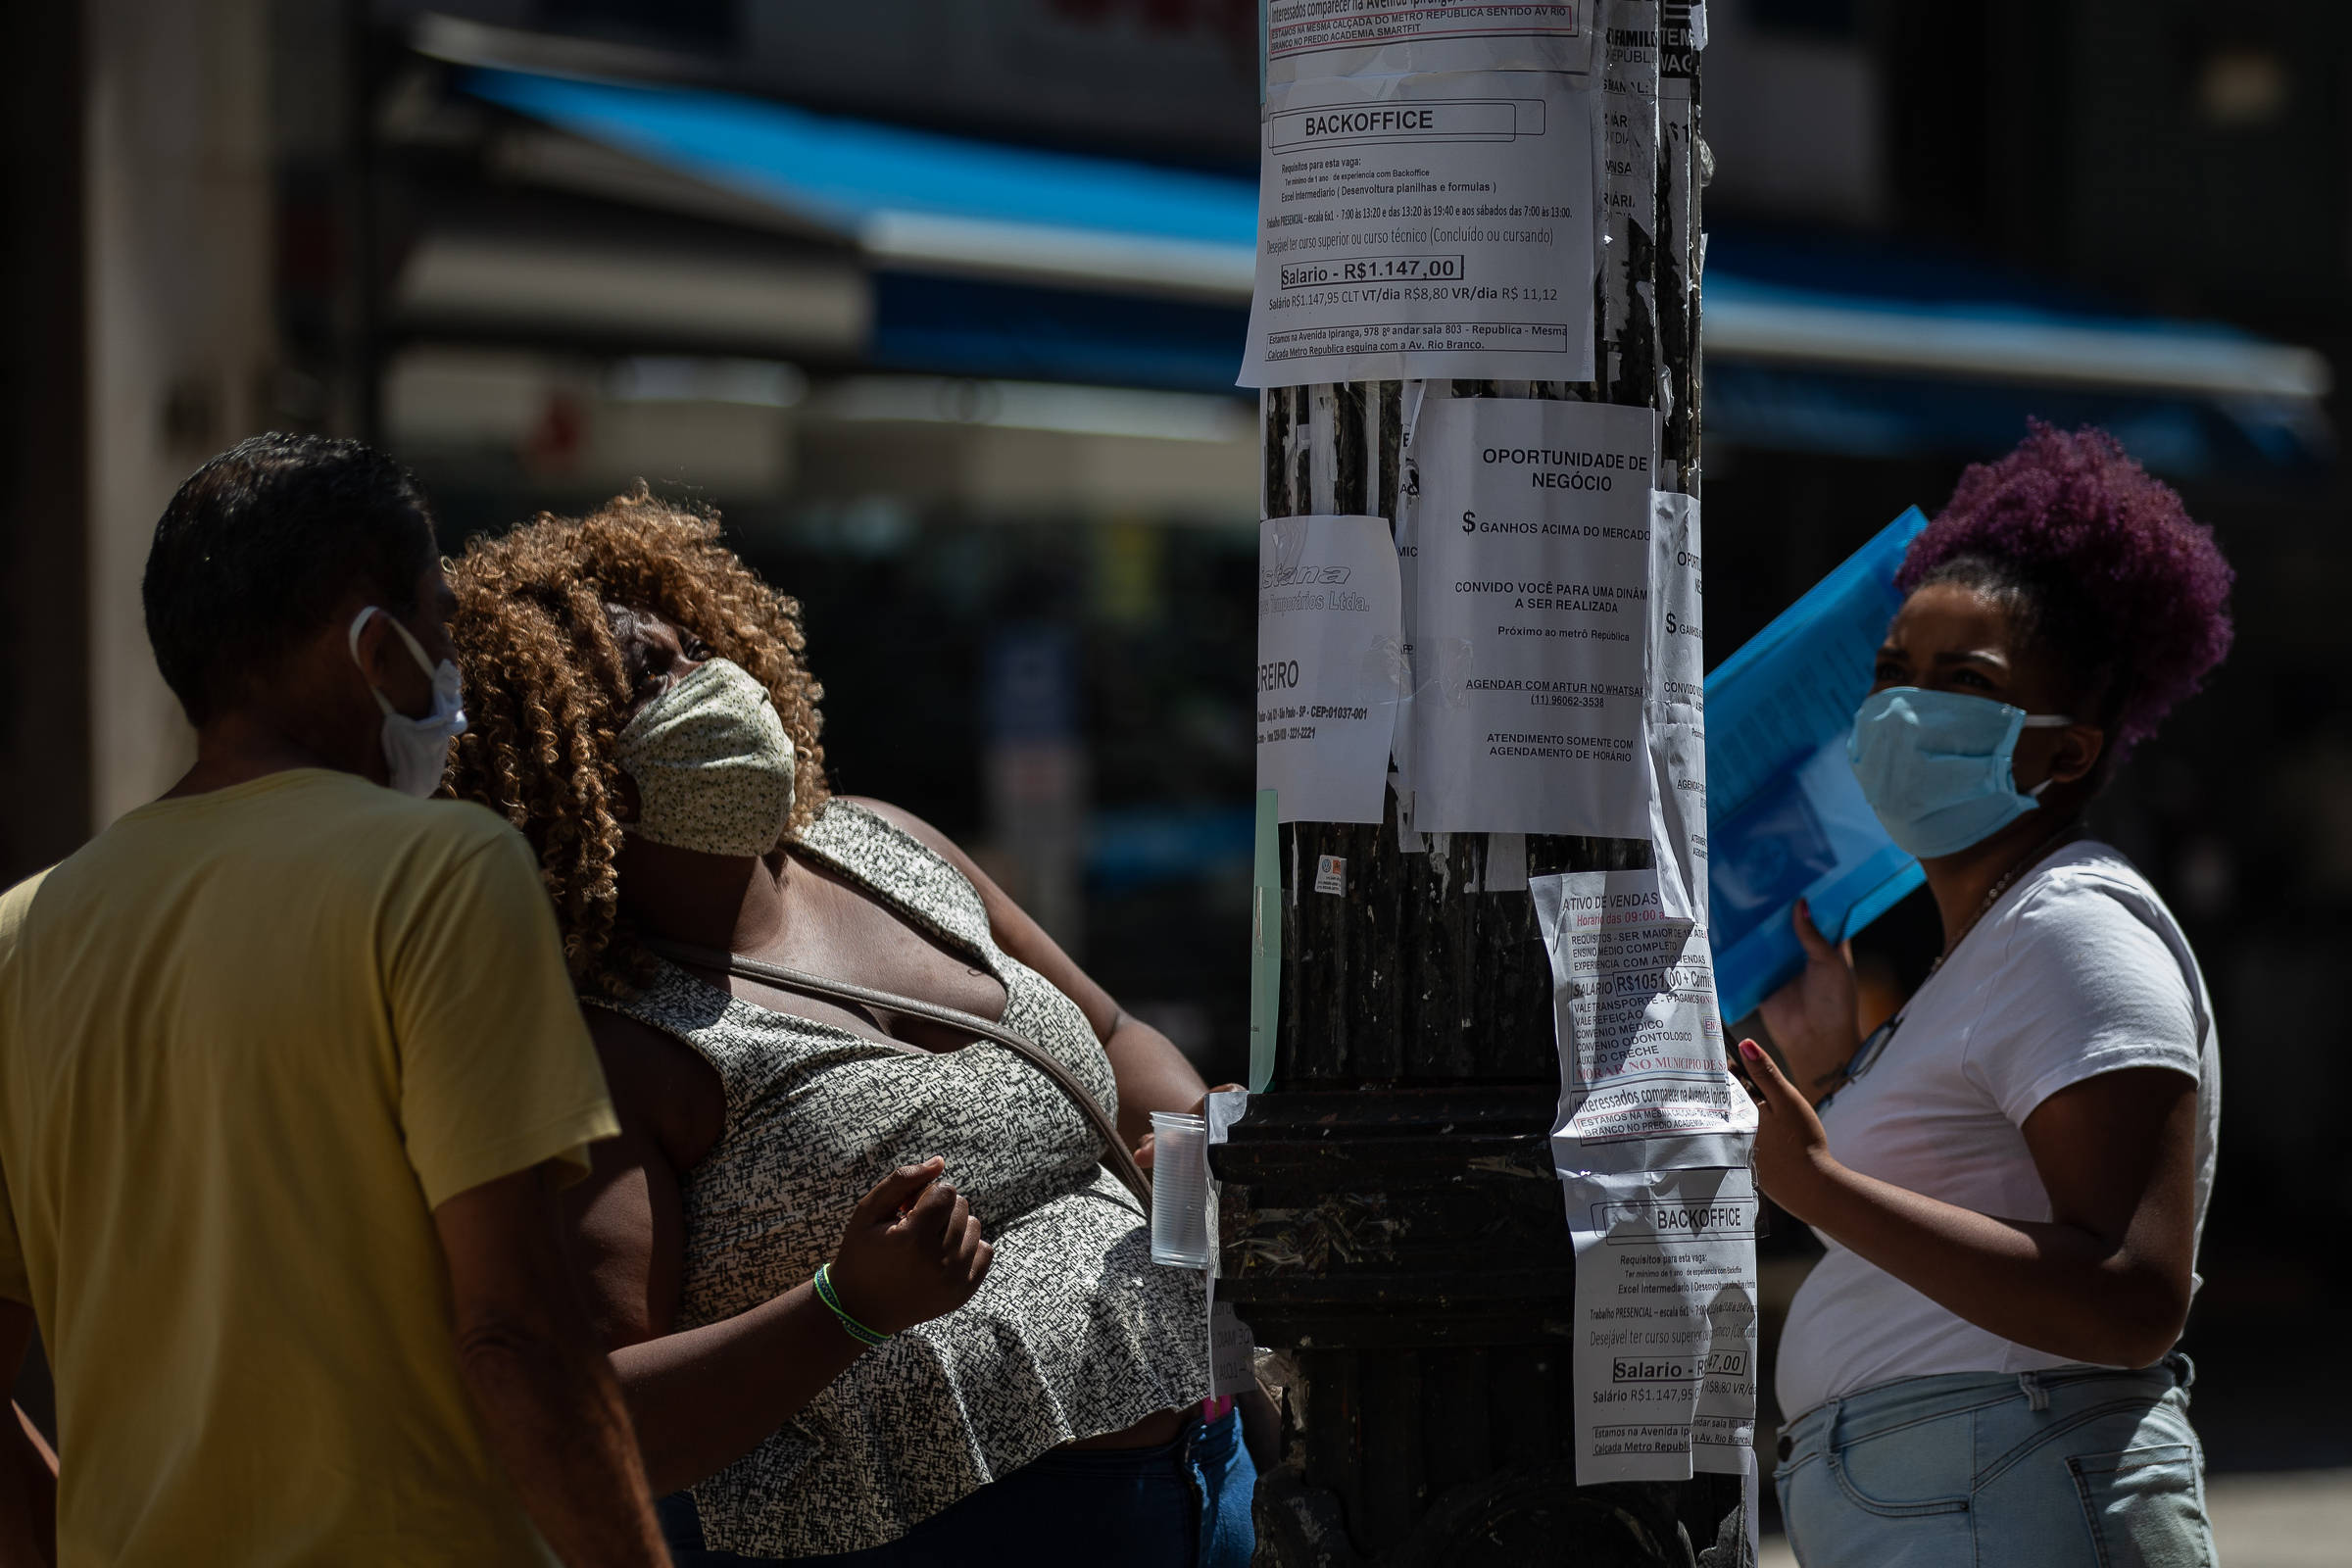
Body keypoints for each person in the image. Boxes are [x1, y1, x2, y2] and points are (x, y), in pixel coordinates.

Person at [443, 490, 1253, 1568]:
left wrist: (1200, 1146)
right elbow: (603, 1416)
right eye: (649, 675)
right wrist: (846, 1307)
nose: (706, 680)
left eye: (695, 646)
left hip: (1200, 1468)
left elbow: (1111, 1032)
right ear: (562, 763)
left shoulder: (882, 840)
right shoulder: (617, 1041)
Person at [0, 434, 678, 1565]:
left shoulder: (25, 935)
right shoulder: (444, 874)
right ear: (371, 638)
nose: (449, 666)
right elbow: (516, 1334)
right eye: (440, 624)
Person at [1738, 424, 2230, 1566]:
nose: (1905, 713)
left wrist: (1815, 1181)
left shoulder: (2074, 932)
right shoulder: (1990, 944)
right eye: (1890, 675)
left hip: (2013, 1495)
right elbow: (1952, 1221)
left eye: (1963, 685)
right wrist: (1827, 1078)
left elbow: (2130, 1297)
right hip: (1959, 1502)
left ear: (2065, 754)